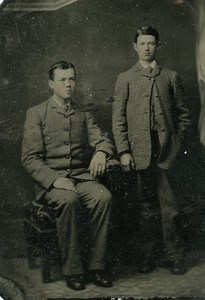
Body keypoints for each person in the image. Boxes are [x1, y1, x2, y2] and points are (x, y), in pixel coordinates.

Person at [21, 61, 114, 290]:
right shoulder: (37, 113)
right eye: (62, 80)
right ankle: (73, 271)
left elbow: (101, 140)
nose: (68, 84)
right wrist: (54, 180)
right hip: (52, 184)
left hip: (81, 178)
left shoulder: (82, 113)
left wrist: (101, 153)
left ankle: (97, 267)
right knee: (68, 200)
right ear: (51, 84)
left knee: (103, 196)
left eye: (71, 79)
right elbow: (30, 158)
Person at [112, 25, 190, 275]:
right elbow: (118, 119)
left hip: (166, 152)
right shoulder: (125, 78)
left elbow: (183, 116)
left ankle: (175, 255)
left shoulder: (170, 76)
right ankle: (149, 255)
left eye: (151, 43)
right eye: (142, 43)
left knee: (171, 207)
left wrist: (176, 145)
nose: (147, 48)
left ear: (158, 45)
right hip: (139, 154)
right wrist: (124, 151)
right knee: (145, 208)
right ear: (135, 47)